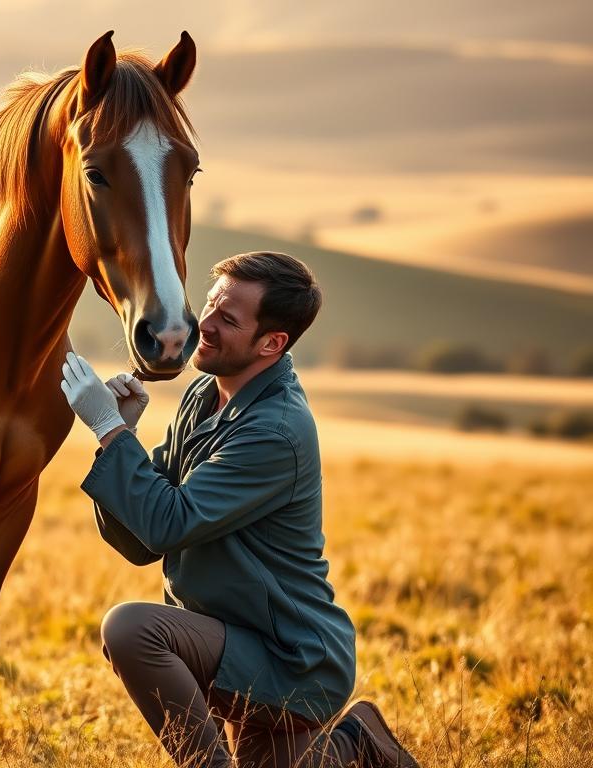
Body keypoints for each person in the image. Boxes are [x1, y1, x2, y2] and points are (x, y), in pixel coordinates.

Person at [60, 251, 419, 768]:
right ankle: (358, 746)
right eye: (209, 305)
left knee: (131, 629)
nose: (202, 324)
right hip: (230, 640)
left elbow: (167, 523)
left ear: (272, 343)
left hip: (290, 658)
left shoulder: (274, 432)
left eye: (228, 320)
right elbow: (141, 539)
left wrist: (107, 429)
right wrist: (124, 435)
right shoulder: (204, 396)